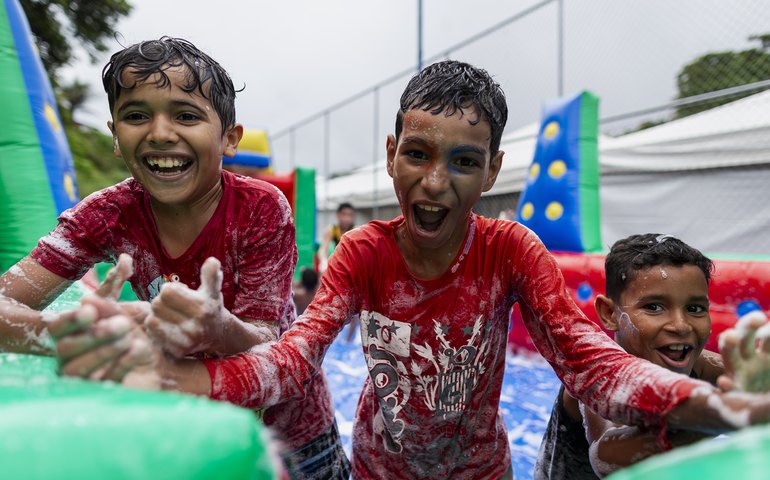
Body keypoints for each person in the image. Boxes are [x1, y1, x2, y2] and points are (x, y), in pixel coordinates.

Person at [54, 60, 770, 480]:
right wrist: (188, 377)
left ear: (492, 169)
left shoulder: (510, 250)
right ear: (394, 152)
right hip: (379, 469)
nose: (435, 184)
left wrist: (728, 408)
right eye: (419, 155)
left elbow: (588, 362)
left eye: (464, 162)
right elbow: (297, 358)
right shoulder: (365, 251)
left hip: (483, 469)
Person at [0, 36, 348, 479]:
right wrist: (65, 331)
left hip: (293, 431)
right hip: (184, 428)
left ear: (229, 139)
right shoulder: (105, 215)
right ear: (114, 135)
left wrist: (219, 329)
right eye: (136, 115)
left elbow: (269, 340)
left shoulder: (261, 209)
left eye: (185, 115)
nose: (160, 133)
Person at [535, 233, 725, 479]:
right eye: (654, 307)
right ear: (610, 314)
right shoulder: (596, 378)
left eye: (694, 309)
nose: (681, 326)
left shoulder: (702, 367)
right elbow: (609, 460)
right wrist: (726, 415)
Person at [316, 202, 355, 274]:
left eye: (349, 215)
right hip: (339, 264)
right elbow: (323, 248)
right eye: (344, 214)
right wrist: (323, 260)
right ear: (338, 215)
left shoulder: (356, 230)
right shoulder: (332, 229)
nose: (346, 218)